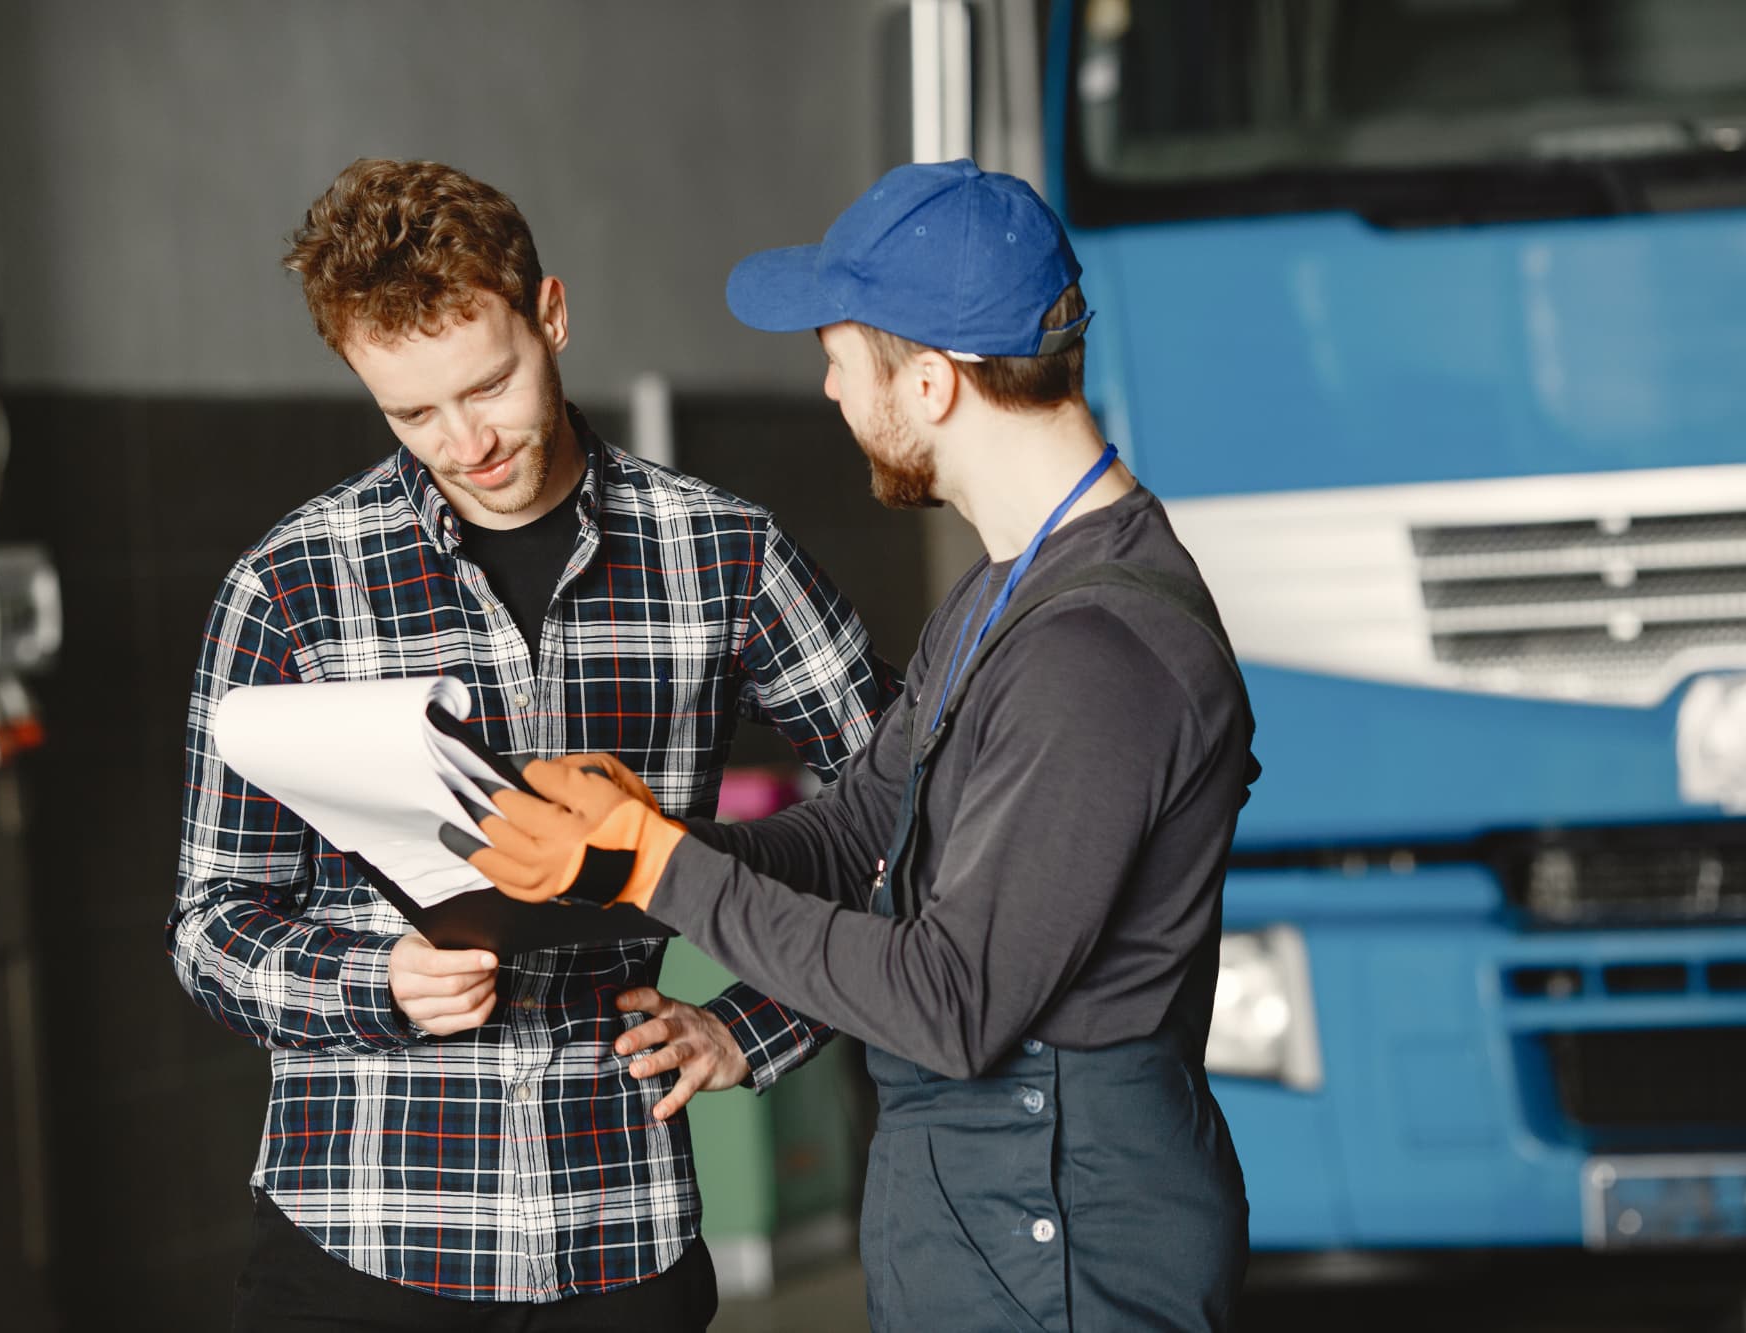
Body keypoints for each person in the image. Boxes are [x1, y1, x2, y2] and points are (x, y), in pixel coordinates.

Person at [462, 159, 1259, 1332]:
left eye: (839, 353)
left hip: (1066, 1241)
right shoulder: (1004, 595)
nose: (830, 389)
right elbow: (854, 831)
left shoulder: (1095, 655)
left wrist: (657, 872)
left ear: (931, 381)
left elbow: (952, 998)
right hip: (987, 1215)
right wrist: (641, 833)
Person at [168, 157, 898, 1332]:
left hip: (616, 1232)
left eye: (488, 384)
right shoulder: (289, 587)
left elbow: (904, 815)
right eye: (411, 412)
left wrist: (752, 1026)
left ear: (550, 315)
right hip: (357, 1235)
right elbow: (211, 924)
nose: (465, 443)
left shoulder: (722, 553)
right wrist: (378, 982)